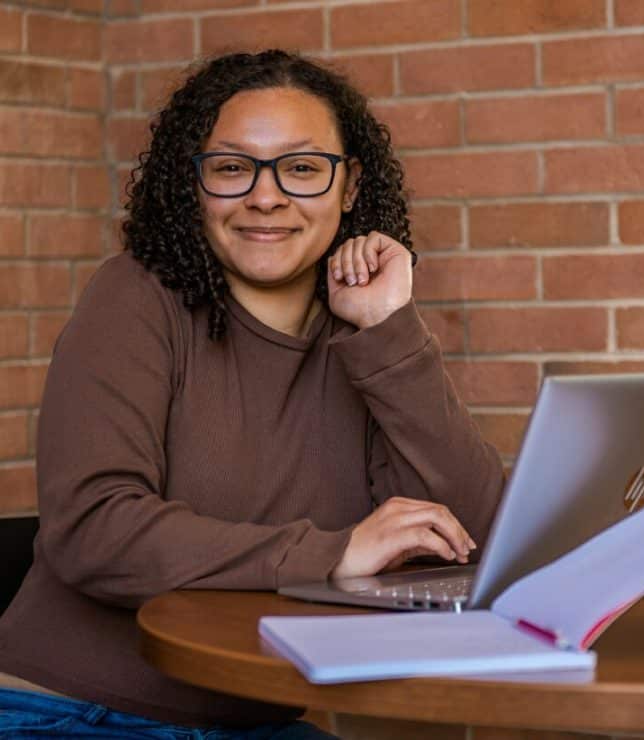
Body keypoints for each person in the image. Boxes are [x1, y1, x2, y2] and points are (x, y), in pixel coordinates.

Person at [0, 50, 505, 738]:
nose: (265, 197)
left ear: (349, 185)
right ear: (196, 185)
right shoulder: (137, 299)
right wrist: (333, 554)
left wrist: (390, 331)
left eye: (301, 169)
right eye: (233, 168)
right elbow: (93, 528)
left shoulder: (364, 343)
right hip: (65, 709)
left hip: (248, 722)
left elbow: (471, 540)